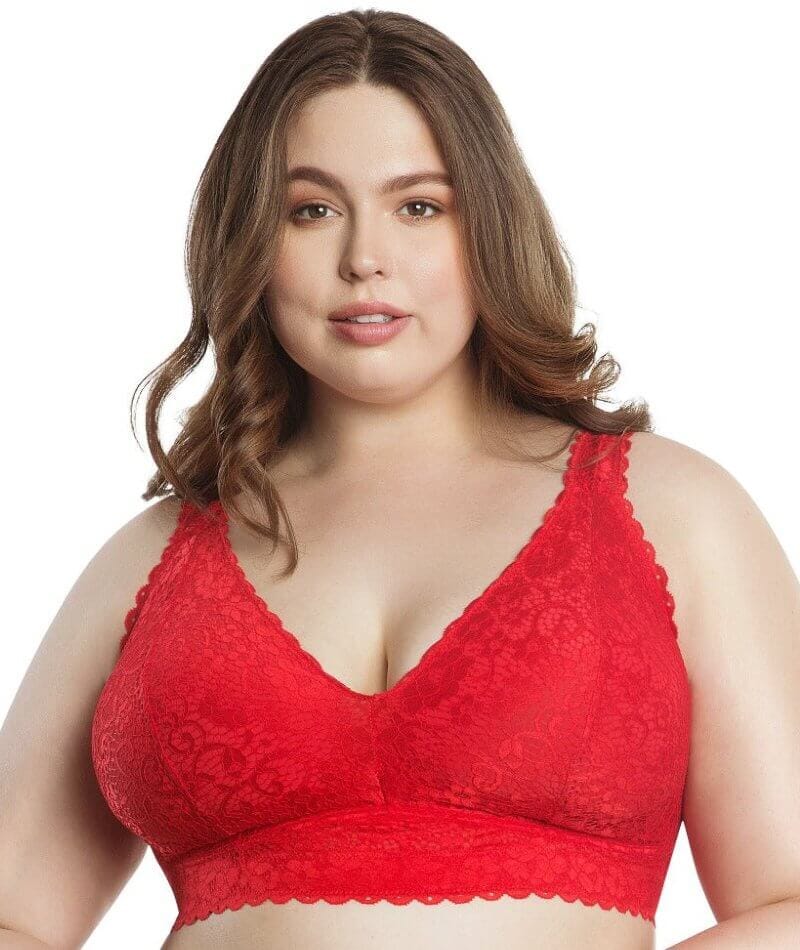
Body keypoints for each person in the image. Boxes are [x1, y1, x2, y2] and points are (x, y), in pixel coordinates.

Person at [2, 9, 799, 950]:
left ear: (489, 227)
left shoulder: (672, 513)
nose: (364, 259)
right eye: (311, 210)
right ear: (249, 241)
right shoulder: (147, 563)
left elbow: (786, 905)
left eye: (419, 206)